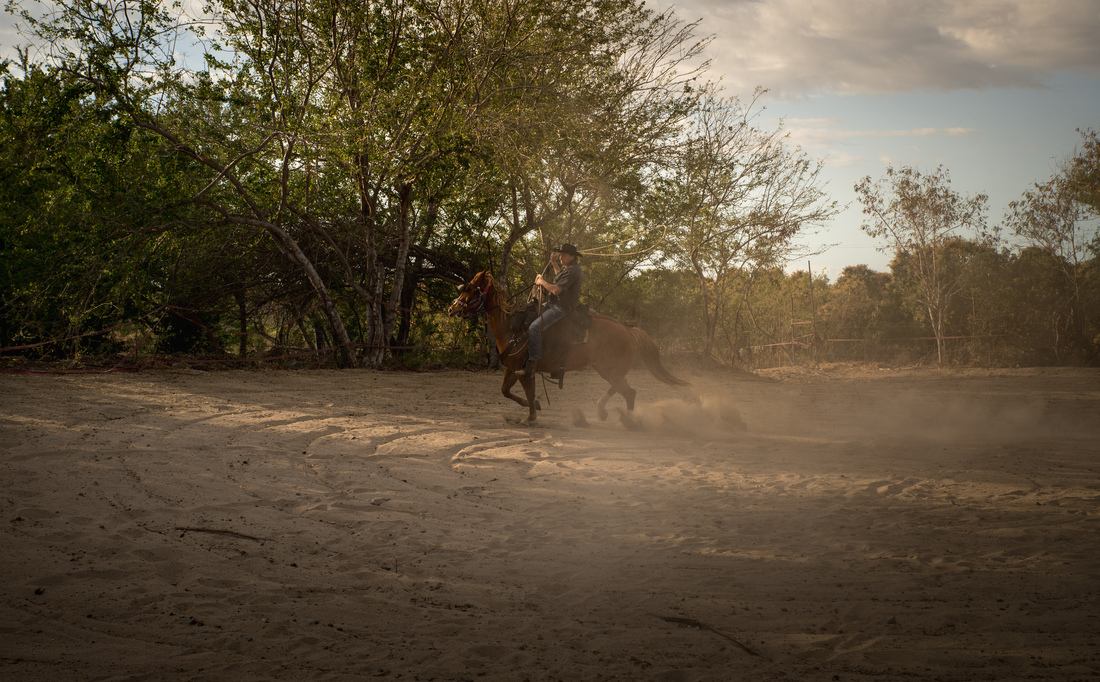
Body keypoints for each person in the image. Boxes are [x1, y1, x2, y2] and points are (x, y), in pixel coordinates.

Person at [519, 243, 583, 377]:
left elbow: (556, 289)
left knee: (534, 328)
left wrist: (541, 282)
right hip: (553, 305)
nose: (561, 257)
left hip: (562, 308)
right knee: (528, 314)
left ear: (571, 256)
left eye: (563, 255)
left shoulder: (573, 271)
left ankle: (532, 365)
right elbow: (560, 277)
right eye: (560, 255)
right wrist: (553, 263)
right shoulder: (569, 269)